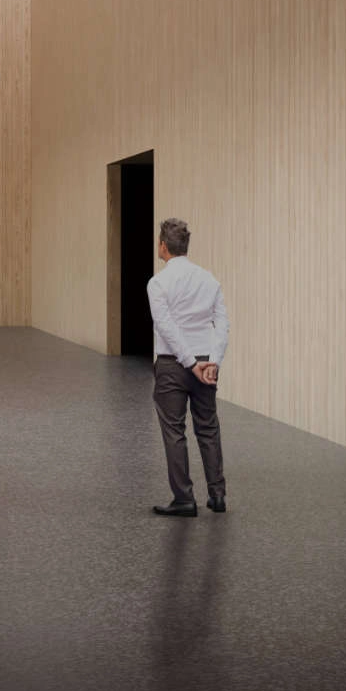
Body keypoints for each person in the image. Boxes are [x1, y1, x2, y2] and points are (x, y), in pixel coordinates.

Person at [147, 217, 228, 517]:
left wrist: (189, 363)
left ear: (163, 246)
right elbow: (222, 324)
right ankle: (217, 495)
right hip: (206, 363)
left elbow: (166, 328)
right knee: (208, 428)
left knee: (174, 431)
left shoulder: (158, 283)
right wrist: (213, 361)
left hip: (173, 365)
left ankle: (184, 498)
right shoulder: (209, 279)